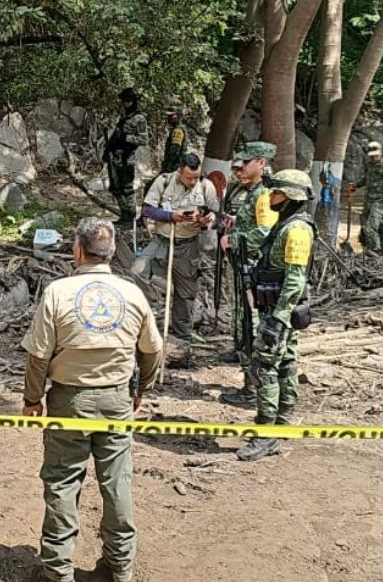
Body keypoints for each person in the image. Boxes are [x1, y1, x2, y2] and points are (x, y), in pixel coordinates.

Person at [22, 217, 164, 582]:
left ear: (76, 250)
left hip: (69, 399)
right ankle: (120, 564)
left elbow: (38, 355)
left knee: (64, 481)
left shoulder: (57, 292)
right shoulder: (132, 293)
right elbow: (152, 349)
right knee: (116, 480)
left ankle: (58, 573)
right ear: (114, 250)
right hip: (116, 399)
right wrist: (141, 389)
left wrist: (33, 399)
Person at [237, 169, 315, 462]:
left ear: (291, 197)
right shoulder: (286, 225)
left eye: (276, 192)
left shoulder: (296, 230)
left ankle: (266, 433)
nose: (271, 197)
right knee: (285, 362)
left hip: (280, 311)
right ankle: (282, 422)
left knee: (263, 367)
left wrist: (278, 319)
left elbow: (294, 279)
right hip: (277, 307)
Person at [133, 152, 219, 343]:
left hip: (189, 244)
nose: (192, 181)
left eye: (196, 177)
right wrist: (171, 216)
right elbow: (147, 209)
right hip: (162, 240)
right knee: (138, 271)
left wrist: (206, 220)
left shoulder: (206, 186)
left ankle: (182, 337)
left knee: (186, 293)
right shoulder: (163, 181)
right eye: (189, 177)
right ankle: (146, 319)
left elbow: (215, 214)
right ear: (180, 171)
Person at [216, 142, 277, 402]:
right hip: (243, 266)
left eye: (246, 163)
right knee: (242, 322)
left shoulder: (263, 195)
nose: (239, 169)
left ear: (261, 163)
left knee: (249, 325)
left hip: (251, 270)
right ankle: (249, 381)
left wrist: (235, 239)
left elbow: (264, 232)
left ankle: (252, 388)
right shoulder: (249, 192)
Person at [103, 88, 149, 226]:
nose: (125, 104)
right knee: (115, 187)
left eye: (128, 101)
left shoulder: (139, 119)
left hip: (127, 158)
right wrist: (108, 151)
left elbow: (143, 140)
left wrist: (126, 138)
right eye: (124, 101)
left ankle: (130, 217)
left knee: (127, 188)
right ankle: (125, 215)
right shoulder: (124, 117)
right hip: (115, 157)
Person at [350, 140, 383, 254]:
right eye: (372, 156)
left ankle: (376, 252)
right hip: (368, 200)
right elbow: (366, 179)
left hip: (379, 202)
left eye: (376, 155)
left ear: (380, 154)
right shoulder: (369, 165)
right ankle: (367, 250)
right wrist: (356, 185)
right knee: (364, 228)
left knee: (370, 228)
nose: (374, 158)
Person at [161, 102, 187, 174]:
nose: (169, 118)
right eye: (168, 116)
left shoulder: (178, 130)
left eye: (172, 116)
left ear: (178, 116)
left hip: (173, 167)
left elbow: (174, 150)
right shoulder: (177, 128)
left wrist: (167, 167)